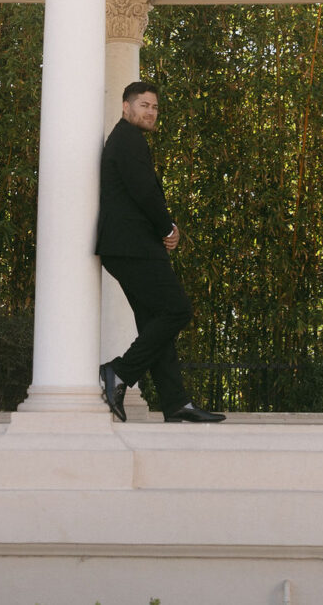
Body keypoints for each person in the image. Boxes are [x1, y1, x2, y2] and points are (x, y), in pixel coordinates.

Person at [97, 80, 225, 424]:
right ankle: (119, 372)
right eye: (144, 105)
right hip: (134, 246)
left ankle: (176, 403)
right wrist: (168, 227)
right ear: (126, 107)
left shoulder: (126, 139)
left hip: (127, 247)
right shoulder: (128, 139)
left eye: (154, 107)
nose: (150, 112)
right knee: (178, 310)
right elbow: (144, 192)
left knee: (157, 323)